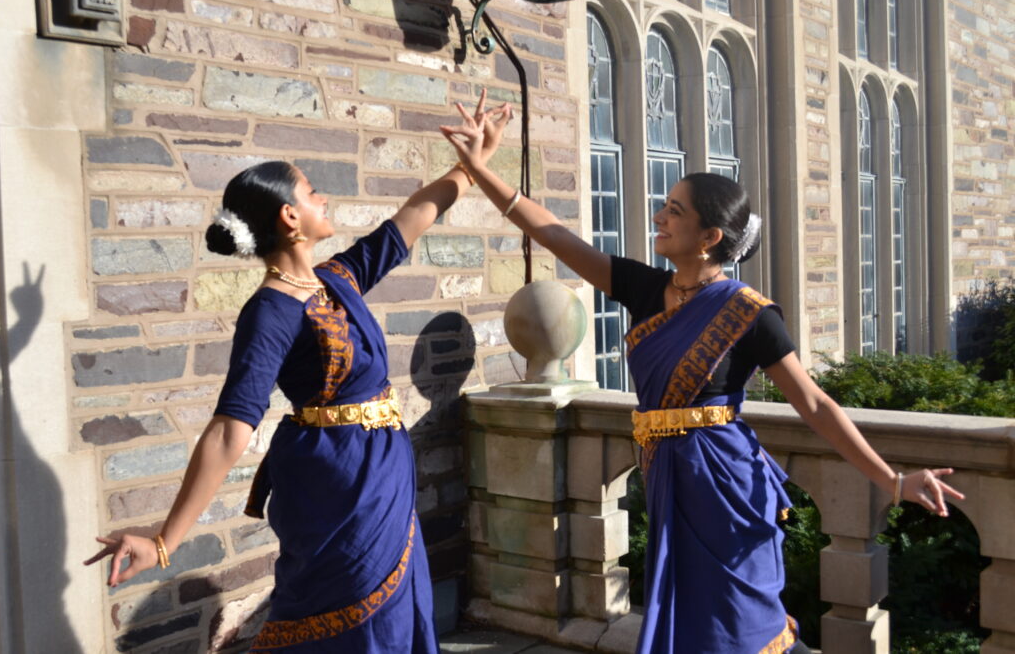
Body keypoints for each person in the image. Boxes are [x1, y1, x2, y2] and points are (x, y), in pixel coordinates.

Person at [440, 103, 965, 654]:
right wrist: (479, 168)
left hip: (726, 484)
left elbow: (814, 404)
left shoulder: (751, 313)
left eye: (674, 210)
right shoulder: (645, 289)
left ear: (710, 235)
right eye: (664, 206)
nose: (659, 217)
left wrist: (893, 481)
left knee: (738, 622)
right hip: (668, 477)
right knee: (688, 619)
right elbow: (553, 235)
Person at [86, 92, 511, 652]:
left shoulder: (339, 277)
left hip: (381, 473)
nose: (323, 196)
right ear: (290, 217)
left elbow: (410, 219)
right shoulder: (270, 311)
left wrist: (472, 166)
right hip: (338, 486)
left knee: (397, 611)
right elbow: (229, 428)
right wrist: (166, 540)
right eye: (312, 192)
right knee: (354, 619)